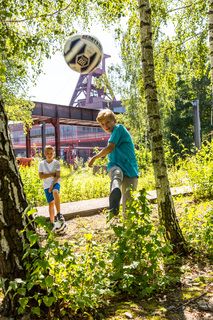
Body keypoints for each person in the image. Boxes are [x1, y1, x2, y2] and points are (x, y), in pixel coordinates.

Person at [88, 109, 138, 216]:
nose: (105, 126)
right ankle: (115, 188)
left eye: (107, 122)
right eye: (102, 124)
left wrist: (94, 157)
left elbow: (110, 148)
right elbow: (110, 149)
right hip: (116, 166)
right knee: (116, 172)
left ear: (114, 120)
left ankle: (115, 187)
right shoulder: (113, 135)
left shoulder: (119, 128)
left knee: (128, 206)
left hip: (129, 169)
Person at [39, 145, 65, 229]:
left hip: (55, 183)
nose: (49, 155)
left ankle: (59, 214)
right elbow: (41, 176)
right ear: (45, 154)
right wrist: (50, 174)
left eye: (51, 153)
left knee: (55, 192)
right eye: (47, 153)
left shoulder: (56, 163)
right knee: (50, 204)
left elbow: (57, 176)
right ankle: (52, 223)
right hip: (46, 185)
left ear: (53, 153)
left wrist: (52, 185)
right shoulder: (41, 164)